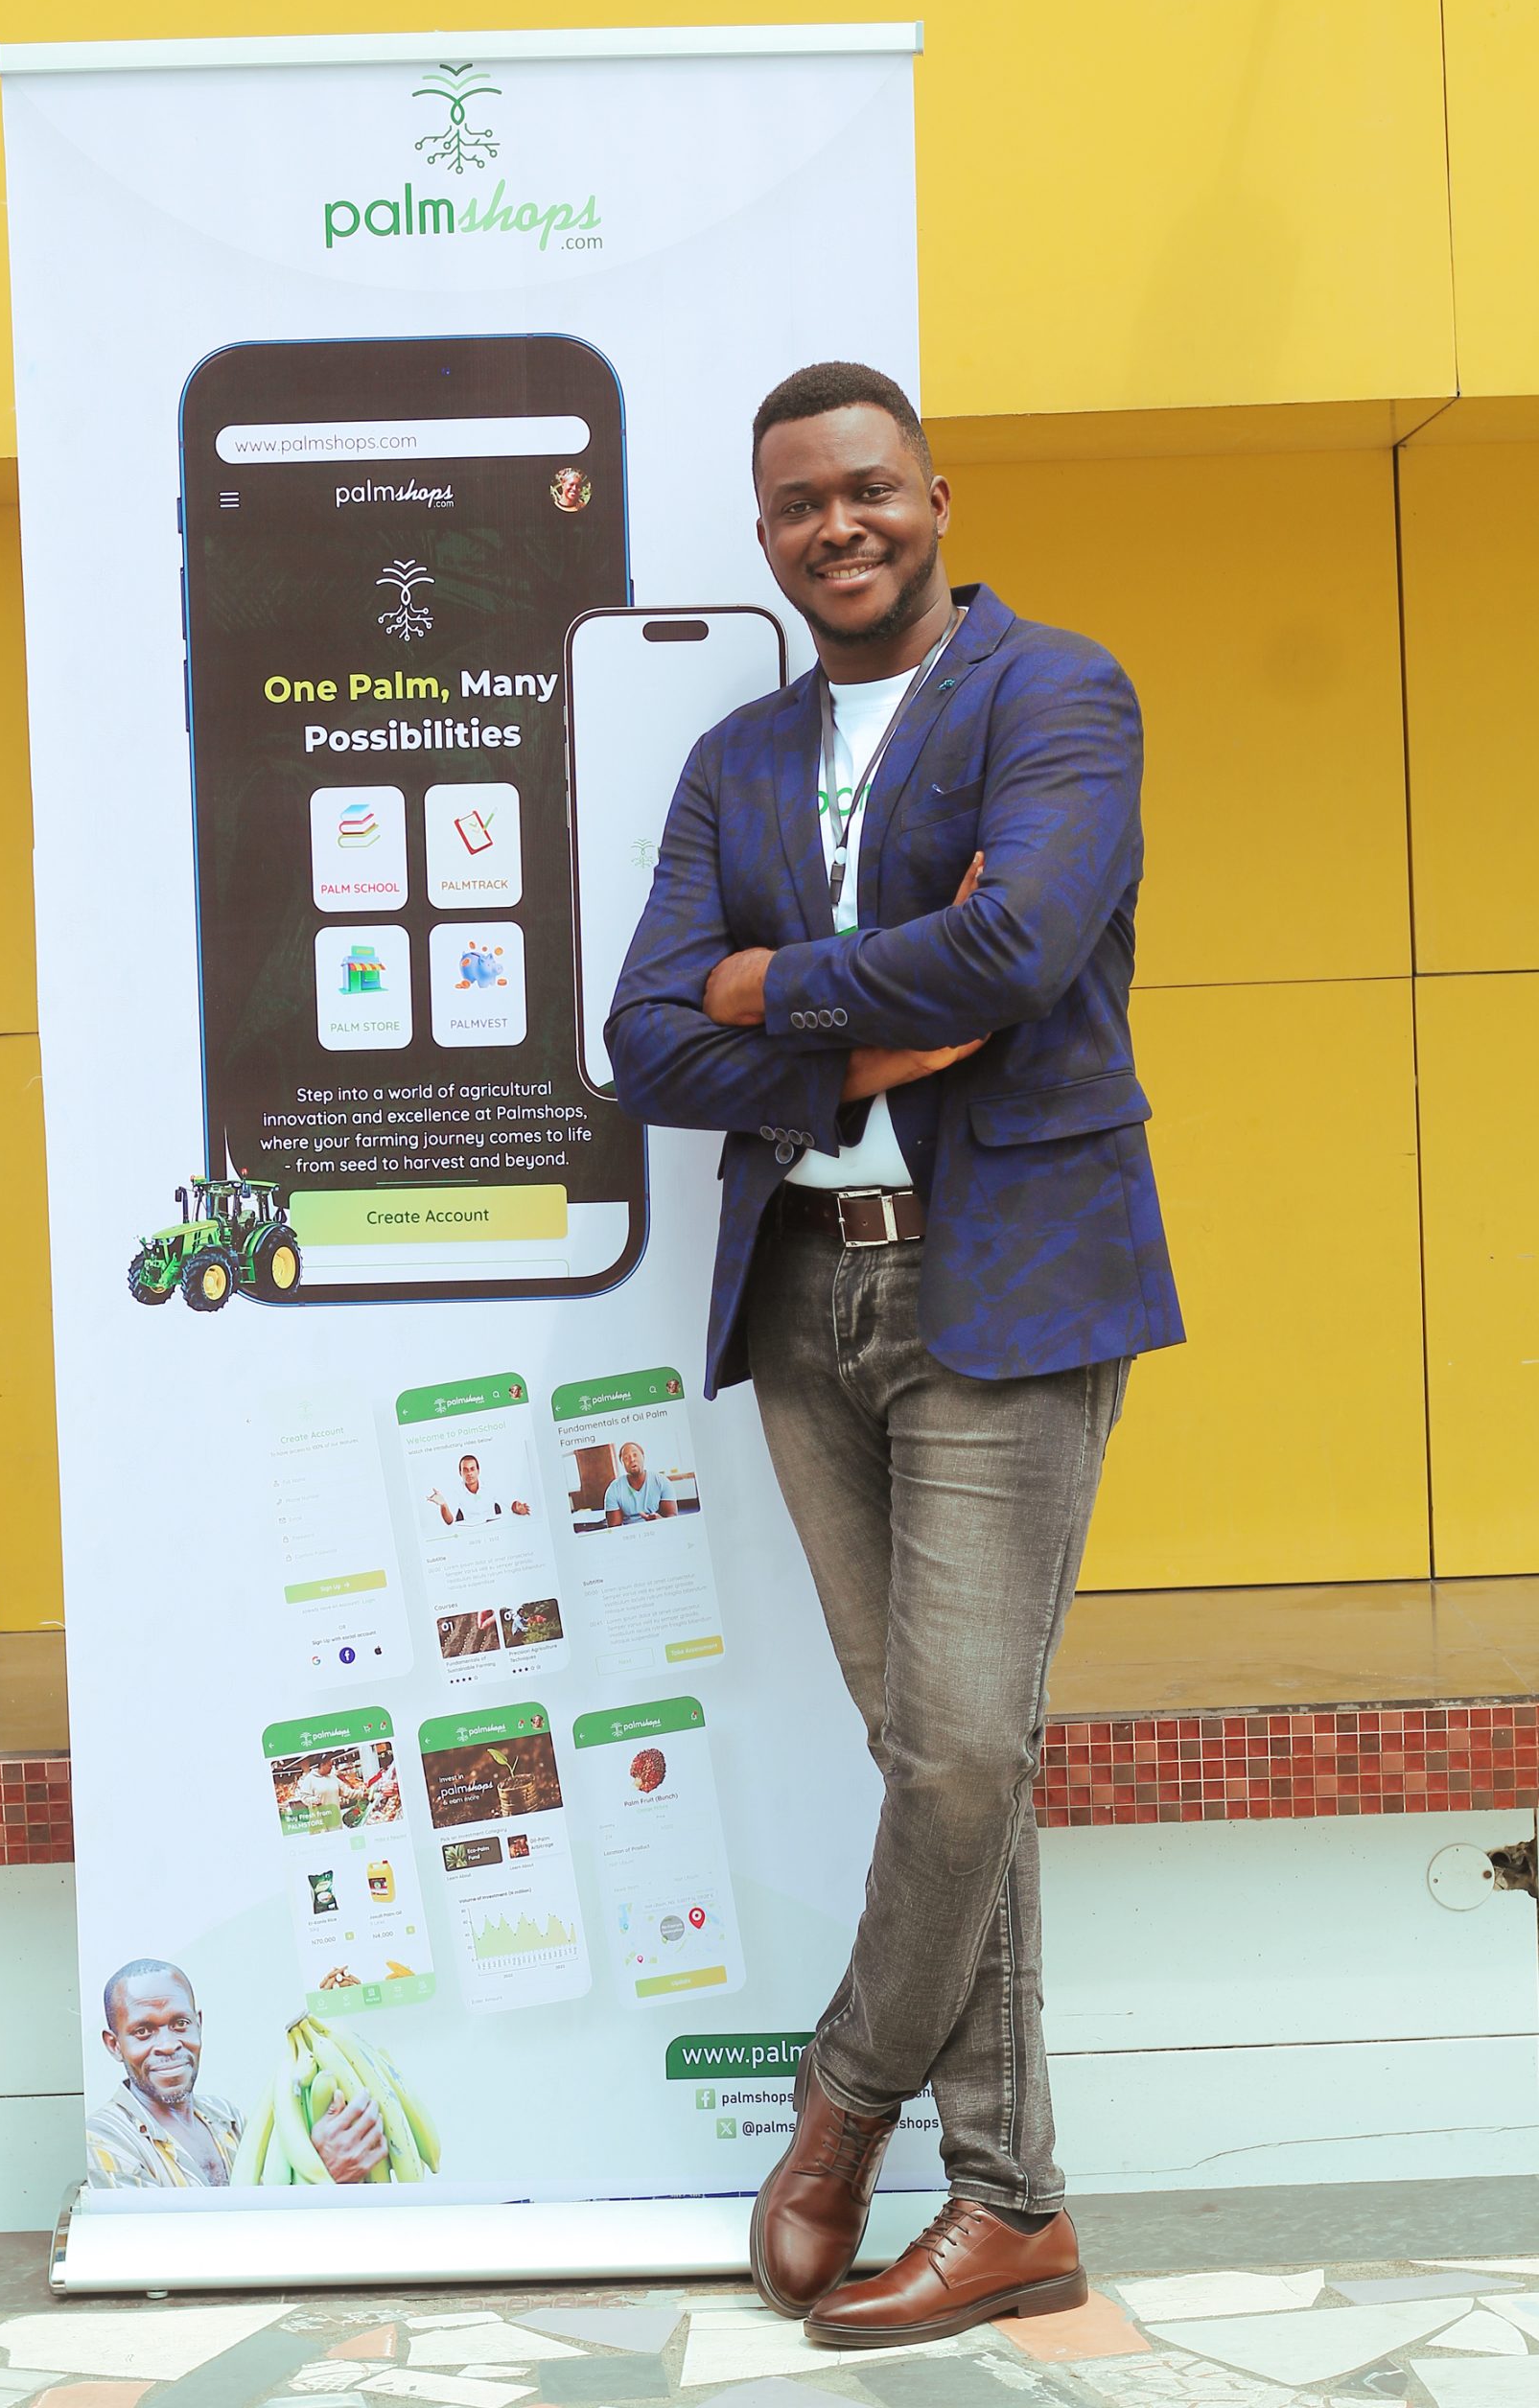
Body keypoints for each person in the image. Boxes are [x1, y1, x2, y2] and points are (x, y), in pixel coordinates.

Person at [607, 361, 1181, 2348]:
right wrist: (858, 1040)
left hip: (1001, 1280)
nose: (833, 526)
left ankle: (849, 2104)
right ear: (765, 533)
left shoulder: (1054, 692)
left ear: (934, 495)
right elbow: (645, 1040)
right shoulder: (736, 759)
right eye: (796, 505)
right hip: (802, 1293)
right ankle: (1014, 2209)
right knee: (945, 1756)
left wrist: (767, 983)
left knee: (955, 1750)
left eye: (865, 488)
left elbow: (1020, 948)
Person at [84, 1957, 385, 2188]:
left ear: (198, 2024)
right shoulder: (103, 2143)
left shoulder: (226, 2118)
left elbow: (268, 2201)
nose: (168, 2045)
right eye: (143, 2031)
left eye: (180, 2024)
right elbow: (159, 2248)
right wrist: (319, 2176)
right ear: (114, 2045)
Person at [429, 1452, 530, 1525]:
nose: (469, 1473)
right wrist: (443, 1504)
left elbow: (510, 1503)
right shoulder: (457, 1491)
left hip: (494, 1527)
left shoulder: (490, 1484)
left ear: (478, 1471)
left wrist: (518, 1508)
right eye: (465, 1470)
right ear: (460, 1473)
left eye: (472, 1469)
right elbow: (449, 1521)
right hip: (472, 1532)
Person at [603, 1440, 677, 1524]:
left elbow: (672, 1519)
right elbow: (615, 1527)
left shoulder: (662, 1481)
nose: (632, 1460)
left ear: (643, 1456)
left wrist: (660, 1520)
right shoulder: (614, 1488)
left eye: (635, 1455)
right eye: (626, 1458)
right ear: (622, 1464)